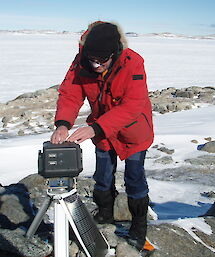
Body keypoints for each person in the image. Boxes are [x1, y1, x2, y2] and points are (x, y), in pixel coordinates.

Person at [50, 21, 154, 250]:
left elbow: (133, 105)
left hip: (133, 131)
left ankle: (138, 227)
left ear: (114, 52)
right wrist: (63, 123)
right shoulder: (81, 62)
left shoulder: (133, 63)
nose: (96, 65)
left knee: (134, 178)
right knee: (103, 175)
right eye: (92, 60)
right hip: (103, 131)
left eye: (102, 61)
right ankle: (106, 215)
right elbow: (70, 93)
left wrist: (95, 128)